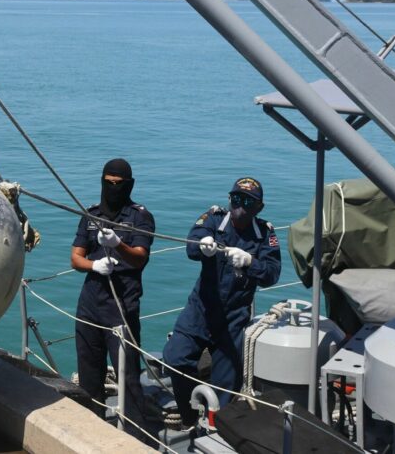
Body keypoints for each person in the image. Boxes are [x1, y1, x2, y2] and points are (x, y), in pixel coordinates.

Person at [163, 177, 280, 426]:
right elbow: (193, 244)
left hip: (234, 318)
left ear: (259, 207)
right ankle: (189, 415)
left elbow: (272, 274)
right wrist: (202, 245)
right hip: (200, 310)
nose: (240, 205)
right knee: (175, 359)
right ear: (229, 199)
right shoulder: (215, 218)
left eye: (248, 201)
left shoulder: (265, 234)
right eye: (236, 198)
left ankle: (217, 431)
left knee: (225, 384)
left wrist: (250, 262)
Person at [70, 158, 155, 440]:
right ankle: (92, 427)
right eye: (108, 183)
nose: (113, 188)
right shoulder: (91, 214)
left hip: (122, 304)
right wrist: (93, 266)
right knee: (89, 370)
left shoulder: (140, 216)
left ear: (128, 185)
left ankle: (136, 435)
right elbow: (76, 257)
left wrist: (118, 245)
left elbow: (140, 258)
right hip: (90, 303)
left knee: (128, 374)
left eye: (119, 184)